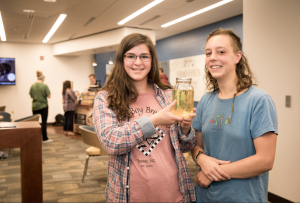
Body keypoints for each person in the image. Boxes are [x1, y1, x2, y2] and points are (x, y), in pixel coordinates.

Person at [93, 33, 196, 203]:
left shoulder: (169, 95)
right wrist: (155, 121)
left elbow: (186, 147)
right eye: (131, 56)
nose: (138, 62)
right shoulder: (106, 98)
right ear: (121, 60)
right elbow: (111, 142)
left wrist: (185, 128)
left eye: (144, 56)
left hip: (173, 192)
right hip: (129, 196)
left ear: (152, 61)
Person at [191, 28, 278, 202]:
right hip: (205, 196)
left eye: (221, 52)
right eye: (208, 53)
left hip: (243, 197)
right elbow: (196, 147)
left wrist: (211, 173)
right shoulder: (206, 101)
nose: (213, 57)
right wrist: (201, 159)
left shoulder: (258, 100)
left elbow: (265, 160)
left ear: (237, 57)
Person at [29, 70, 53, 143]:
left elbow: (31, 96)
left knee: (35, 123)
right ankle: (44, 138)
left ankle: (35, 138)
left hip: (35, 106)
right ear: (42, 77)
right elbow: (49, 96)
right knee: (44, 122)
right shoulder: (45, 86)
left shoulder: (33, 85)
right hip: (43, 106)